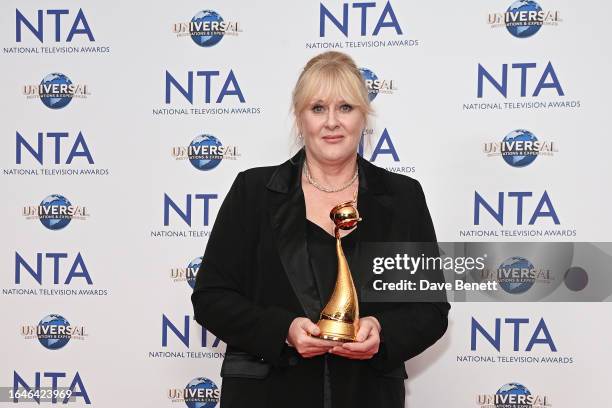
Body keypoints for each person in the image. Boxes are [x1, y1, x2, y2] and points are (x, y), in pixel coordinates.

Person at [191, 51, 450, 408]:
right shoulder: (253, 193)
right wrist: (283, 330)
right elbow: (211, 298)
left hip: (366, 394)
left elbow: (430, 310)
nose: (332, 122)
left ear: (364, 117)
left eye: (345, 107)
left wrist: (381, 331)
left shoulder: (402, 198)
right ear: (300, 119)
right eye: (317, 108)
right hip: (267, 395)